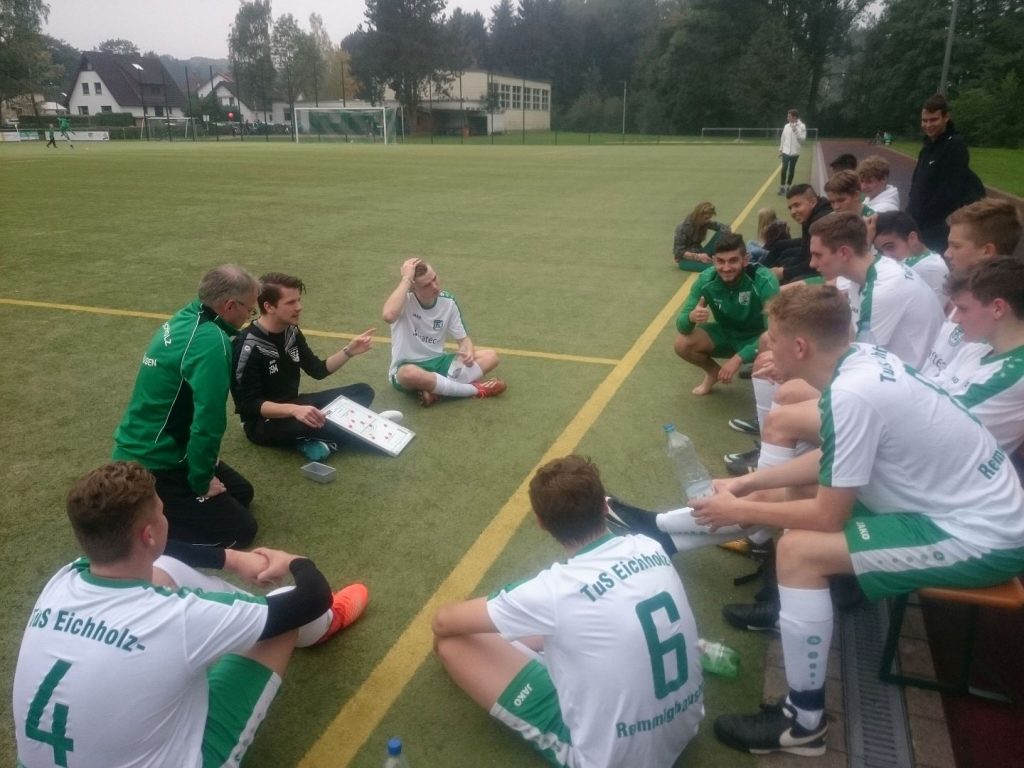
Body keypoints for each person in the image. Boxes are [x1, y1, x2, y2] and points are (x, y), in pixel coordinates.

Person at [688, 285, 1024, 756]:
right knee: (800, 499)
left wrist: (740, 509)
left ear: (799, 347)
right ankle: (821, 600)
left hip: (981, 532)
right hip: (958, 500)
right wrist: (748, 486)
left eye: (773, 338)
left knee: (799, 551)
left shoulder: (852, 393)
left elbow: (828, 516)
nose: (767, 345)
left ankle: (803, 724)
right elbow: (831, 460)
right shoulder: (859, 360)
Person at [12, 461, 369, 768]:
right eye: (162, 511)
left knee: (165, 567)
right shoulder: (177, 617)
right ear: (149, 533)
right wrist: (293, 560)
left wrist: (231, 558)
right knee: (283, 615)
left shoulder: (65, 579)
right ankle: (324, 625)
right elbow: (310, 597)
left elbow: (166, 553)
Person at [432, 455, 704, 768]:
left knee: (453, 645)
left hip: (613, 760)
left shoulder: (552, 590)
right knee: (565, 628)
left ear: (541, 522)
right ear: (605, 506)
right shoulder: (648, 546)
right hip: (686, 723)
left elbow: (444, 621)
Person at [113, 265, 260, 549]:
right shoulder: (212, 342)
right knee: (241, 531)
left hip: (158, 445)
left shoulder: (188, 315)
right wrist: (201, 480)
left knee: (241, 493)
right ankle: (141, 524)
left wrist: (204, 466)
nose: (248, 317)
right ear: (229, 305)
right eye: (249, 310)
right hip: (157, 459)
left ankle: (158, 502)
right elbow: (209, 419)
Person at [231, 272, 381, 462]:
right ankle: (362, 427)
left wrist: (349, 351)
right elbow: (249, 405)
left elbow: (317, 370)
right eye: (291, 302)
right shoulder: (246, 346)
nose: (299, 307)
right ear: (269, 307)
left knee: (362, 391)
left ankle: (320, 438)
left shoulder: (291, 332)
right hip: (262, 423)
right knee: (305, 424)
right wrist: (294, 411)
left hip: (296, 404)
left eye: (298, 301)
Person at [382, 257, 505, 407]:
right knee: (408, 374)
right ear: (413, 287)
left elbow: (464, 340)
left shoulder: (448, 302)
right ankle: (474, 390)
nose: (435, 286)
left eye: (435, 278)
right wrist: (406, 279)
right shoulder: (404, 300)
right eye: (427, 285)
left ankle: (435, 390)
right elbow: (388, 316)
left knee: (490, 356)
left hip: (439, 362)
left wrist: (467, 352)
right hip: (408, 366)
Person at [675, 233, 780, 396]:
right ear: (714, 260)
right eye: (721, 261)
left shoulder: (764, 280)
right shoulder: (705, 280)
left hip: (758, 338)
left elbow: (774, 333)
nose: (726, 267)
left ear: (745, 260)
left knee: (772, 345)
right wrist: (691, 317)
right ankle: (713, 373)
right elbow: (681, 325)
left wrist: (738, 359)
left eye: (733, 260)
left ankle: (765, 403)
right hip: (727, 334)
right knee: (683, 343)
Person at [908, 93, 985, 253]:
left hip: (937, 228)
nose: (928, 125)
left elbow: (950, 192)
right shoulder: (927, 147)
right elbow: (917, 184)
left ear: (946, 117)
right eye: (925, 120)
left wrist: (923, 218)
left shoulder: (955, 146)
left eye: (933, 120)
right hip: (918, 223)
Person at [760, 185, 832, 285]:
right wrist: (784, 269)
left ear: (813, 202)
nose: (792, 212)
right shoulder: (809, 217)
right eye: (790, 208)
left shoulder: (821, 223)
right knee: (781, 249)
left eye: (797, 205)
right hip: (814, 265)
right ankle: (760, 273)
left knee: (788, 273)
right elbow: (804, 252)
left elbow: (814, 264)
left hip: (826, 273)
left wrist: (784, 272)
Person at [872, 211, 949, 304]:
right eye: (880, 251)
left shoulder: (928, 267)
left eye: (890, 247)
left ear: (912, 238)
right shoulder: (930, 260)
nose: (885, 257)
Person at [673, 201, 732, 271]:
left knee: (722, 233)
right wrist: (697, 257)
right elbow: (678, 251)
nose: (708, 220)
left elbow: (725, 228)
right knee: (714, 267)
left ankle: (722, 258)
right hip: (686, 259)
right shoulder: (683, 227)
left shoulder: (704, 223)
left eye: (709, 218)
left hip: (701, 252)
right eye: (706, 218)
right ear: (698, 215)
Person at [778, 109, 807, 195]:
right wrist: (781, 149)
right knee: (784, 168)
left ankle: (788, 186)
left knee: (791, 169)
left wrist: (796, 131)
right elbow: (783, 138)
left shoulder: (802, 126)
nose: (787, 118)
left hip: (795, 152)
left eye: (789, 116)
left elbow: (802, 140)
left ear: (794, 117)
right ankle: (782, 187)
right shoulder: (786, 126)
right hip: (786, 151)